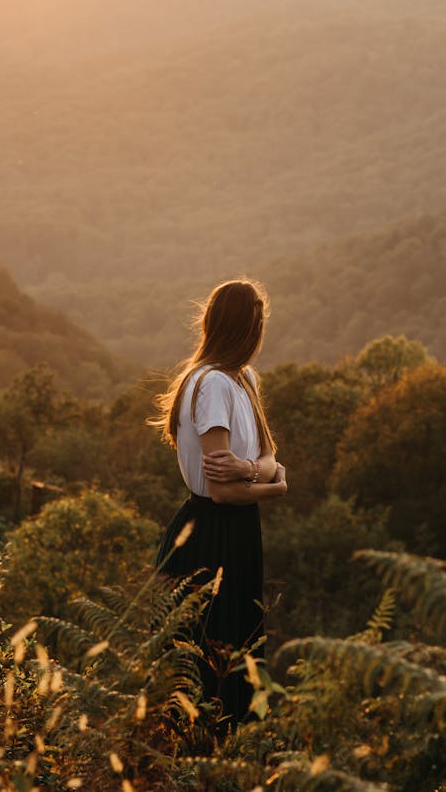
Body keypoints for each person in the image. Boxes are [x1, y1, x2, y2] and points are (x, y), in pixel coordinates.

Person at [151, 278, 288, 727]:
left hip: (241, 532)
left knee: (239, 656)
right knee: (208, 667)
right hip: (211, 535)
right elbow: (226, 489)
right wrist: (274, 485)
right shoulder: (212, 386)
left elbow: (267, 457)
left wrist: (255, 472)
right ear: (251, 328)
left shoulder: (244, 379)